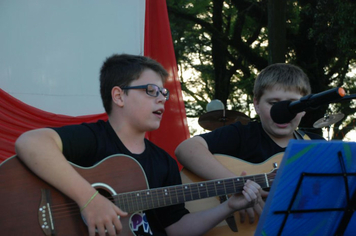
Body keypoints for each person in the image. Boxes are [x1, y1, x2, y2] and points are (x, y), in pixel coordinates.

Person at [15, 53, 263, 236]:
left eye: (163, 93)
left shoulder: (164, 162)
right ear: (119, 96)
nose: (162, 100)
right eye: (151, 91)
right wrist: (90, 199)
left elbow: (176, 228)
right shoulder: (93, 138)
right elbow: (31, 142)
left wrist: (228, 207)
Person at [175, 63, 324, 224]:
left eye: (292, 104)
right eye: (274, 104)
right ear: (257, 105)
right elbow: (186, 149)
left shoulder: (317, 146)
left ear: (304, 109)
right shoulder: (242, 134)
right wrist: (238, 186)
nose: (283, 112)